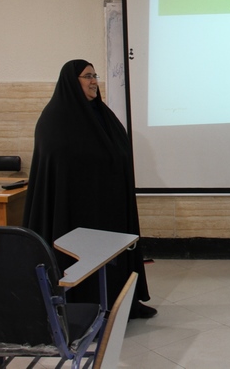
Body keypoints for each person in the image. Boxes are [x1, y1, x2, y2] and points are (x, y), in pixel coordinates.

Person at [23, 59, 156, 319]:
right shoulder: (55, 118)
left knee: (113, 252)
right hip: (74, 207)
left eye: (95, 75)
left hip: (107, 201)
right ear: (71, 82)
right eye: (87, 76)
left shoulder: (102, 114)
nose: (94, 81)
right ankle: (82, 310)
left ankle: (121, 303)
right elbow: (59, 160)